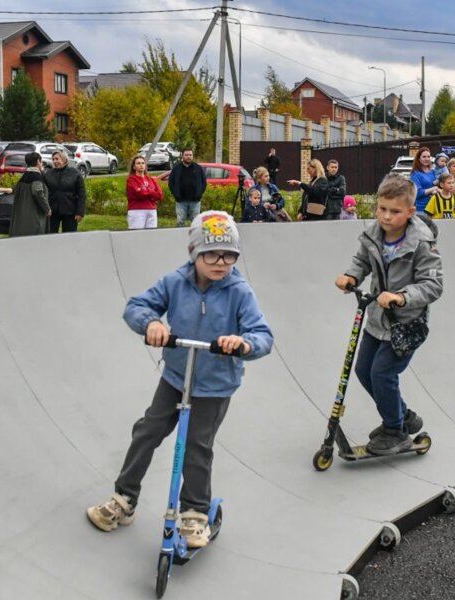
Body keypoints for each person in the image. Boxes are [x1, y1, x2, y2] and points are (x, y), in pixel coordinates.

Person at [86, 211, 274, 548]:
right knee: (147, 431)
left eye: (229, 254)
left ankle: (194, 514)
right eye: (211, 254)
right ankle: (125, 499)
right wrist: (151, 324)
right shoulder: (174, 282)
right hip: (176, 377)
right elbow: (137, 306)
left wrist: (243, 344)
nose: (221, 262)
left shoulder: (239, 292)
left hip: (215, 386)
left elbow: (262, 335)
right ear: (194, 252)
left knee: (196, 447)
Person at [334, 174, 443, 455]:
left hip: (406, 323)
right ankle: (403, 416)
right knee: (363, 371)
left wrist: (401, 297)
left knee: (382, 374)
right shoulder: (373, 233)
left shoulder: (422, 244)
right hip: (376, 318)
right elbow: (361, 260)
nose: (386, 216)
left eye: (395, 211)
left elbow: (433, 285)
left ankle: (395, 431)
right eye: (382, 209)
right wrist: (351, 276)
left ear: (410, 212)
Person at [43, 150, 86, 233]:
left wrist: (80, 212)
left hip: (70, 212)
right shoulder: (48, 174)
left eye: (57, 159)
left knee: (69, 238)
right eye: (53, 159)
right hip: (52, 212)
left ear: (64, 159)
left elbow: (82, 194)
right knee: (50, 236)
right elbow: (43, 192)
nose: (54, 161)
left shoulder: (75, 173)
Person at [9, 152, 50, 237]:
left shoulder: (23, 178)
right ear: (38, 161)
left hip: (21, 219)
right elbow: (37, 192)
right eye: (41, 162)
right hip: (33, 218)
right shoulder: (36, 177)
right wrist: (47, 208)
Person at [168, 148, 207, 228]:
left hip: (195, 201)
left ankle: (195, 239)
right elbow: (171, 183)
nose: (188, 157)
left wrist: (199, 194)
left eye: (190, 155)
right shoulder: (176, 169)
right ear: (182, 156)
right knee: (180, 222)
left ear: (192, 156)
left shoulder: (198, 168)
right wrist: (175, 194)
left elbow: (204, 183)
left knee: (196, 223)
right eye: (186, 155)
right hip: (181, 201)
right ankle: (180, 238)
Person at [126, 155, 162, 230]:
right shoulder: (131, 180)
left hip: (152, 210)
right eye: (138, 163)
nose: (141, 165)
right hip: (137, 211)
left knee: (151, 235)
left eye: (143, 163)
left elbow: (159, 195)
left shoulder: (151, 180)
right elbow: (140, 194)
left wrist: (148, 192)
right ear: (134, 167)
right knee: (137, 235)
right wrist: (152, 192)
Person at [409, 147, 437, 213]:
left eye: (428, 156)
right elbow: (417, 193)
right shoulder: (415, 174)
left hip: (435, 208)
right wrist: (433, 189)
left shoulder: (433, 172)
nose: (426, 159)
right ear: (419, 158)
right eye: (424, 157)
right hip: (422, 209)